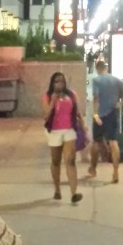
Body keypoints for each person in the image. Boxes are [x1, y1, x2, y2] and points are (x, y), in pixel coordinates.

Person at [41, 71, 85, 203]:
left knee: (70, 161)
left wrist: (83, 126)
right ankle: (57, 189)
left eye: (62, 81)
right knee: (56, 161)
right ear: (52, 83)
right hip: (54, 132)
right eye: (57, 81)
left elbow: (77, 112)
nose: (60, 83)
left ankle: (74, 193)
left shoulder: (71, 95)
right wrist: (53, 102)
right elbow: (46, 116)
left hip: (69, 130)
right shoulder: (47, 96)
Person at [87, 58, 123, 183]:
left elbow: (96, 98)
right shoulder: (115, 79)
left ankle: (93, 168)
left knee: (96, 142)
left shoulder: (96, 80)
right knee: (113, 142)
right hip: (112, 113)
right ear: (106, 68)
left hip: (100, 114)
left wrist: (95, 115)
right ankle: (115, 172)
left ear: (97, 69)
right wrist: (121, 102)